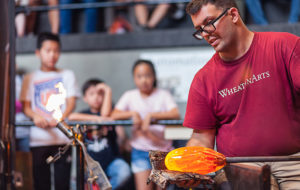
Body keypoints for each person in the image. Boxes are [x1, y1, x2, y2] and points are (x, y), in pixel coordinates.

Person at [179, 0, 300, 189]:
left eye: (209, 22)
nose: (205, 34)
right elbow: (202, 137)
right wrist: (188, 165)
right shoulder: (203, 79)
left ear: (233, 15)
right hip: (240, 166)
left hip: (293, 162)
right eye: (199, 29)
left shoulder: (284, 45)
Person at [20, 32, 79, 190]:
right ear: (38, 53)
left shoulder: (67, 75)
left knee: (62, 183)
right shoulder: (29, 78)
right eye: (48, 50)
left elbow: (71, 102)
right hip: (39, 139)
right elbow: (26, 106)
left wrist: (60, 119)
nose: (52, 55)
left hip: (62, 139)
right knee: (40, 183)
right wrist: (36, 117)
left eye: (56, 50)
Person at [111, 59, 181, 190]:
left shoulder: (163, 94)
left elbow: (175, 113)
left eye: (147, 75)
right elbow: (114, 114)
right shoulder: (130, 95)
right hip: (140, 151)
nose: (144, 80)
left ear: (154, 77)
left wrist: (151, 116)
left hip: (163, 151)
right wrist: (132, 114)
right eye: (139, 76)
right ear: (134, 78)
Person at [68, 78, 131, 190]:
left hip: (112, 160)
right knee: (80, 181)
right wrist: (98, 119)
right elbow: (71, 117)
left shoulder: (112, 114)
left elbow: (105, 115)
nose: (96, 97)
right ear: (85, 98)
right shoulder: (84, 114)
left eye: (101, 94)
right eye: (92, 94)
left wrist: (108, 91)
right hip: (91, 163)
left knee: (124, 171)